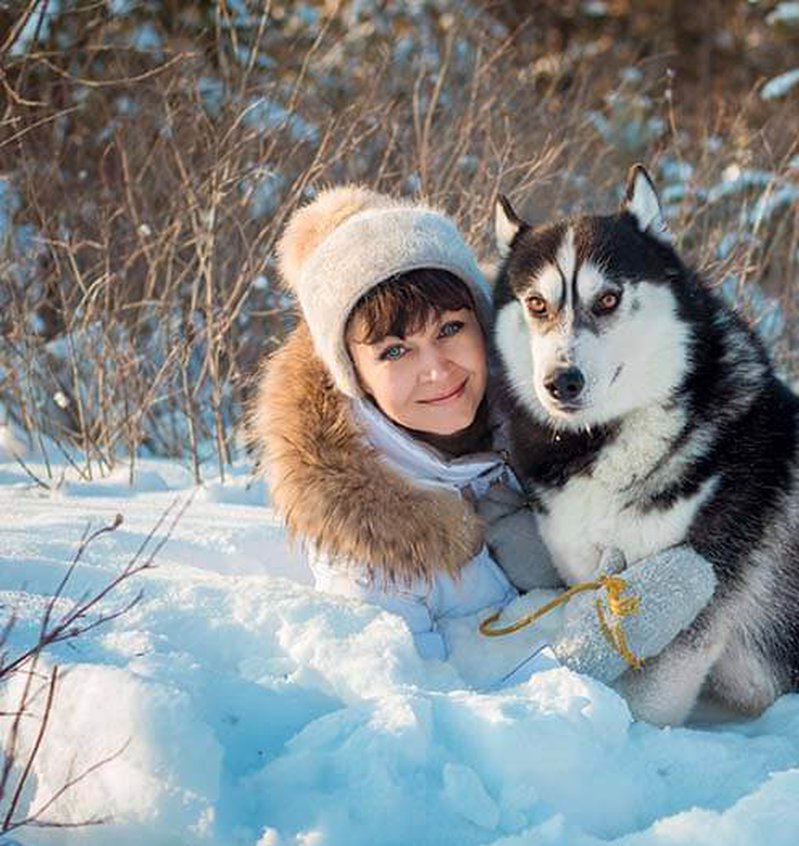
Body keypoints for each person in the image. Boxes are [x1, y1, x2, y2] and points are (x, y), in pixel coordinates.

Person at [251, 186, 714, 689]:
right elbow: (424, 714)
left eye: (450, 329)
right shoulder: (370, 553)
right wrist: (592, 651)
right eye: (394, 352)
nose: (436, 371)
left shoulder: (555, 415)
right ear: (352, 374)